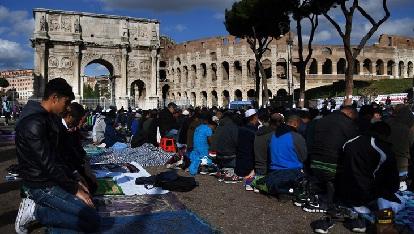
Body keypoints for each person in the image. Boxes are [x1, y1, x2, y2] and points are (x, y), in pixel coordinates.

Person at [15, 78, 100, 234]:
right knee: (91, 219)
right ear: (54, 98)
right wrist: (75, 189)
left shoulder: (49, 118)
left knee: (88, 209)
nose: (67, 108)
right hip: (41, 186)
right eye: (66, 102)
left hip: (52, 179)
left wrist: (74, 176)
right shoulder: (33, 123)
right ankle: (36, 211)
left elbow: (60, 155)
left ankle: (53, 224)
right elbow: (48, 164)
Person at [306, 106, 359, 212]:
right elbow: (354, 143)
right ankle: (332, 202)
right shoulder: (348, 123)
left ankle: (317, 195)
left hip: (315, 160)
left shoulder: (321, 120)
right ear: (350, 114)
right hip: (333, 162)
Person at [59, 102, 98, 194]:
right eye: (78, 120)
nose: (79, 123)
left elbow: (77, 150)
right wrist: (76, 174)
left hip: (71, 165)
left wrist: (84, 165)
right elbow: (62, 157)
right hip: (62, 169)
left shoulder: (71, 129)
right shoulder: (59, 129)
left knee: (92, 185)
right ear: (69, 116)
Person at [265, 115, 307, 195]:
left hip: (273, 172)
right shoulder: (296, 137)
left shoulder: (272, 135)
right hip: (293, 172)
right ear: (295, 124)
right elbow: (304, 156)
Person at [385, 104, 414, 191]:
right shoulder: (409, 129)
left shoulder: (386, 123)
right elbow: (412, 146)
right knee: (401, 190)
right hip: (403, 165)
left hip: (385, 162)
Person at [211, 111, 239, 180]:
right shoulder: (233, 126)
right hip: (229, 156)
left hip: (218, 156)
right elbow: (237, 142)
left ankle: (223, 170)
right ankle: (229, 172)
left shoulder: (219, 126)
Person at [234, 109, 259, 186]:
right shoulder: (255, 132)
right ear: (254, 117)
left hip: (239, 165)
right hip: (249, 166)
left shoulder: (239, 129)